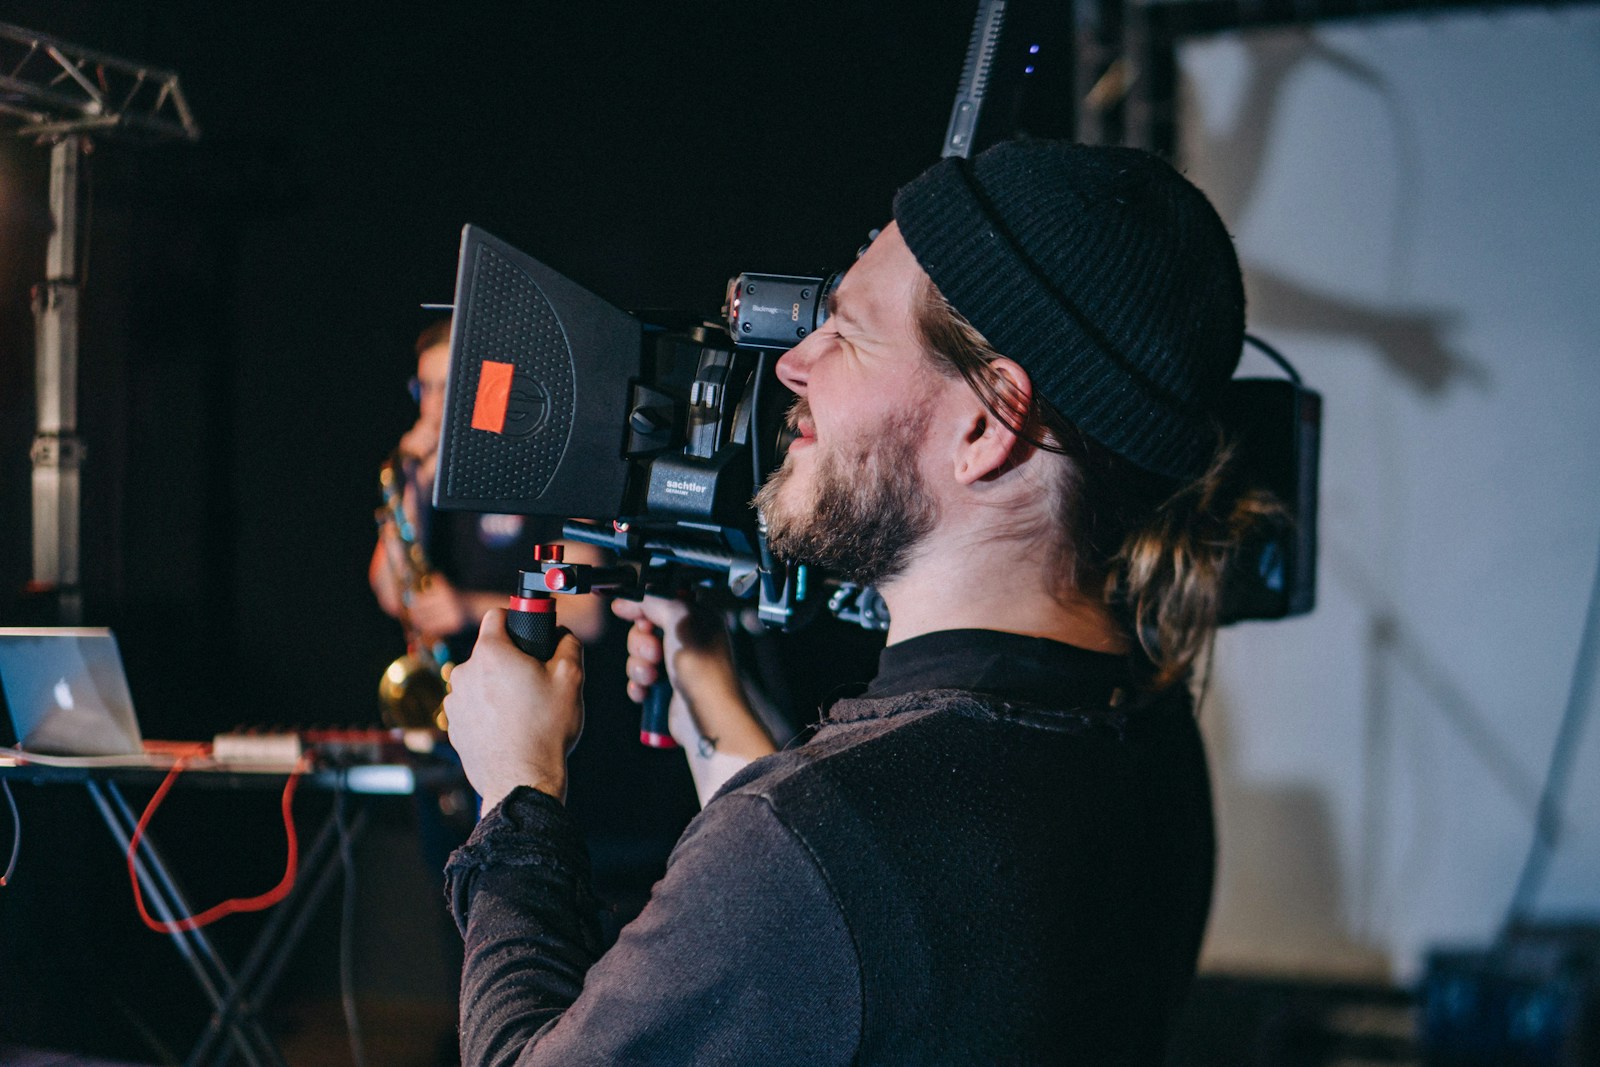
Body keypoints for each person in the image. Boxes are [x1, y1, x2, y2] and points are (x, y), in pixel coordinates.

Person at [441, 140, 1278, 1064]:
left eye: (848, 332)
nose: (794, 364)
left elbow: (823, 886)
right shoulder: (1151, 735)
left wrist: (517, 794)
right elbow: (866, 956)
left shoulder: (815, 846)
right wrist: (707, 696)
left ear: (986, 424)